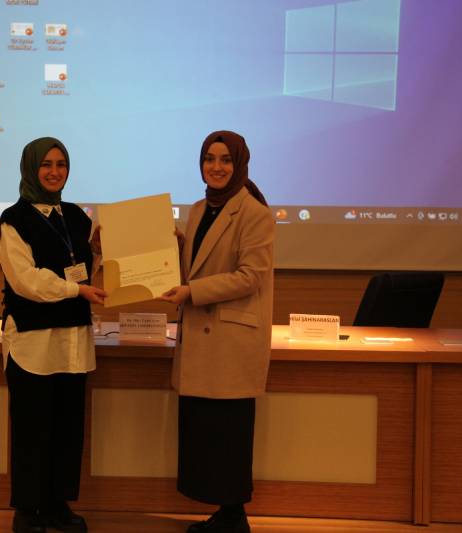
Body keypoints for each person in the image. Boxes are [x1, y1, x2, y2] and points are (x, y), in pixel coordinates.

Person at [160, 131, 274, 533]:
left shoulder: (255, 213)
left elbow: (251, 276)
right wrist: (168, 246)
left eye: (225, 159)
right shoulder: (197, 210)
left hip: (230, 341)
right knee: (207, 433)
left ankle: (233, 517)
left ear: (239, 164)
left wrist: (192, 291)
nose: (216, 167)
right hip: (202, 338)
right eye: (209, 158)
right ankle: (226, 517)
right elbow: (197, 265)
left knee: (229, 433)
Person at [0, 137, 106, 533]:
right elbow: (26, 281)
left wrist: (102, 251)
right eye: (46, 164)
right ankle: (27, 511)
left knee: (67, 429)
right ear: (30, 168)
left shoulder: (76, 216)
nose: (54, 172)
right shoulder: (13, 219)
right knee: (32, 430)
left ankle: (58, 505)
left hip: (72, 341)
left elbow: (89, 269)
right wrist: (76, 289)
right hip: (32, 343)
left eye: (61, 164)